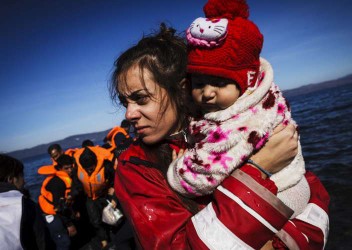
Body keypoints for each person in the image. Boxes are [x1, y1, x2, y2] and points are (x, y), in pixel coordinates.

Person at [110, 22, 329, 249]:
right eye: (125, 102)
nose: (129, 113)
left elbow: (312, 193)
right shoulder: (135, 166)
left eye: (141, 99)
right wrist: (258, 169)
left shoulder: (237, 125)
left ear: (183, 89)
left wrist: (281, 245)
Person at [167, 0, 309, 222]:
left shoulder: (240, 124)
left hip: (281, 195)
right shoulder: (263, 95)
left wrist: (176, 169)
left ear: (247, 81)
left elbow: (198, 180)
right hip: (286, 185)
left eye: (219, 83)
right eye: (199, 83)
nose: (207, 93)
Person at [0, 154, 49, 250]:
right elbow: (42, 242)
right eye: (21, 176)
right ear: (11, 179)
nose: (24, 181)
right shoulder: (24, 205)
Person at [73, 146, 116, 249]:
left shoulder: (106, 166)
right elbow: (76, 184)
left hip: (104, 195)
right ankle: (104, 240)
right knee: (95, 221)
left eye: (91, 168)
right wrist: (74, 196)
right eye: (86, 169)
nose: (89, 171)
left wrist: (113, 190)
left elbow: (116, 177)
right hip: (90, 198)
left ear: (95, 163)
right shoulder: (78, 169)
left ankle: (115, 235)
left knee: (111, 218)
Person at [38, 154, 77, 250]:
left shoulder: (68, 178)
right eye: (66, 168)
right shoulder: (57, 183)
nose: (70, 170)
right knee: (64, 242)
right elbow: (58, 207)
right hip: (50, 213)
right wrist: (69, 224)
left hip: (60, 210)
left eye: (71, 167)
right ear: (59, 168)